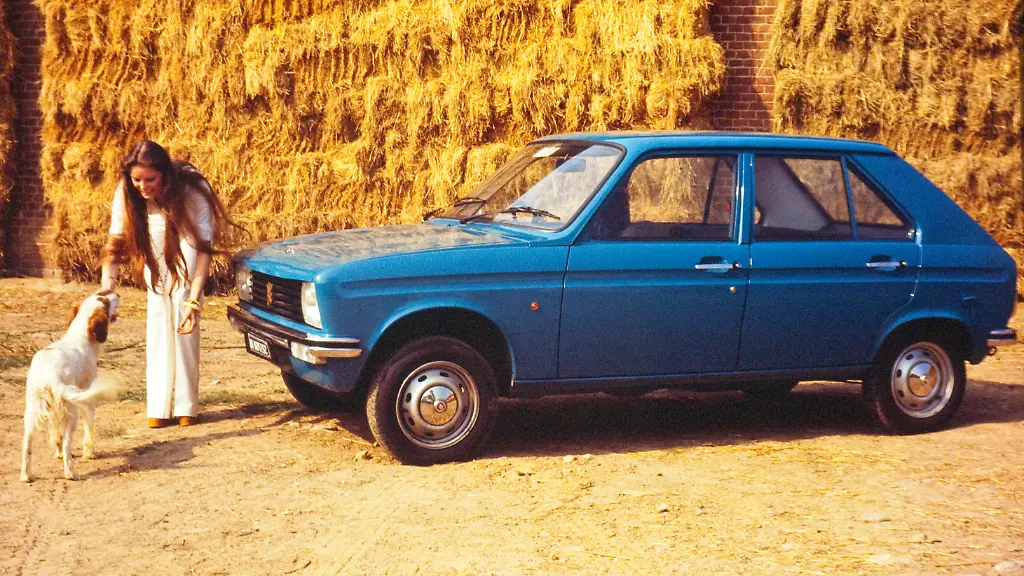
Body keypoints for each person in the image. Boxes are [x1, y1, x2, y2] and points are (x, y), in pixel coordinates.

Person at [98, 140, 240, 428]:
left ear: (165, 174)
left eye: (150, 179)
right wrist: (107, 290)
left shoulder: (192, 188)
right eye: (137, 179)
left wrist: (194, 302)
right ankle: (158, 408)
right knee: (158, 313)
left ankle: (187, 406)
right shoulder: (126, 191)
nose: (143, 186)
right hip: (154, 242)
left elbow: (203, 250)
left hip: (186, 235)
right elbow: (115, 244)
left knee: (182, 305)